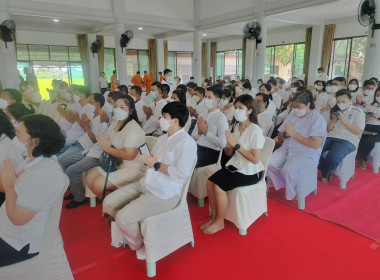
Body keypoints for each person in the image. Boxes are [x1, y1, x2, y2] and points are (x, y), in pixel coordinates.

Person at [102, 102, 197, 259]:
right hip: (147, 183)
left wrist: (157, 164)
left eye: (164, 117)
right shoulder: (162, 139)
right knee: (108, 203)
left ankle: (139, 245)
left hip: (165, 193)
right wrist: (150, 160)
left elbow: (181, 174)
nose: (161, 119)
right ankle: (136, 230)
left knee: (123, 218)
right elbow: (155, 161)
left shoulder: (186, 143)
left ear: (175, 120)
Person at [0, 114, 66, 267]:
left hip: (16, 243)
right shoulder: (33, 159)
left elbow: (18, 219)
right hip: (6, 230)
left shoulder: (45, 174)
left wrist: (9, 185)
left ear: (34, 141)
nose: (13, 139)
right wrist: (13, 183)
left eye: (17, 134)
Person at [201, 95, 265, 234]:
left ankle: (220, 222)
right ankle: (214, 216)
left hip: (251, 171)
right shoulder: (236, 126)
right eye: (235, 108)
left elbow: (255, 159)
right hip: (235, 166)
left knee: (219, 186)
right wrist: (228, 146)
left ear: (249, 110)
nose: (236, 111)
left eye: (240, 108)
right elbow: (230, 153)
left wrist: (236, 145)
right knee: (210, 182)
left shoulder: (255, 130)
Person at [267, 91, 326, 200]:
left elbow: (316, 144)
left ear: (308, 104)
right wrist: (284, 136)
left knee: (288, 169)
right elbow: (281, 133)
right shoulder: (293, 114)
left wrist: (294, 135)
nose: (295, 110)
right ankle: (284, 183)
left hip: (306, 152)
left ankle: (293, 192)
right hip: (288, 147)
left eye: (298, 107)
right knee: (269, 163)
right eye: (293, 107)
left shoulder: (317, 119)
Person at [86, 95, 146, 199]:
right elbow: (109, 142)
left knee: (98, 185)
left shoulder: (133, 128)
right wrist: (104, 143)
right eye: (115, 106)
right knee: (89, 179)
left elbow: (129, 155)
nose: (117, 110)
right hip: (114, 163)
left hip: (131, 167)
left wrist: (107, 148)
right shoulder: (114, 124)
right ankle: (114, 204)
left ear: (131, 111)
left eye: (122, 107)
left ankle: (116, 207)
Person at [318, 90, 365, 182]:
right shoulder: (334, 110)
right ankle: (327, 170)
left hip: (348, 139)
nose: (340, 104)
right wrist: (333, 120)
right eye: (338, 102)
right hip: (331, 136)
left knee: (333, 156)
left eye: (343, 102)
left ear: (350, 100)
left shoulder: (358, 112)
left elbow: (358, 132)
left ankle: (325, 174)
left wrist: (345, 121)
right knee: (313, 150)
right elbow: (328, 129)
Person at [58, 93, 108, 163]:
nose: (88, 104)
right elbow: (87, 131)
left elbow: (95, 140)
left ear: (97, 104)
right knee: (54, 154)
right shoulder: (94, 116)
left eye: (90, 102)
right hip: (78, 142)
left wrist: (85, 125)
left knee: (59, 160)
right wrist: (83, 122)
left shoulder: (101, 119)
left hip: (83, 146)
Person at [191, 86, 228, 168]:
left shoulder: (221, 117)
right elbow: (193, 136)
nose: (206, 99)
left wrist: (205, 132)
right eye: (205, 97)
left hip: (211, 151)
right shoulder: (202, 115)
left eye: (209, 97)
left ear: (217, 100)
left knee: (189, 162)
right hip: (198, 147)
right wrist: (200, 132)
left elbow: (222, 143)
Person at [357, 88, 380, 169]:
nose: (379, 97)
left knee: (367, 141)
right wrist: (367, 116)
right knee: (359, 137)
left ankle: (364, 162)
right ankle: (359, 159)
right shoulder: (371, 105)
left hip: (379, 129)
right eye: (377, 95)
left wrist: (379, 116)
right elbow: (364, 119)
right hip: (368, 126)